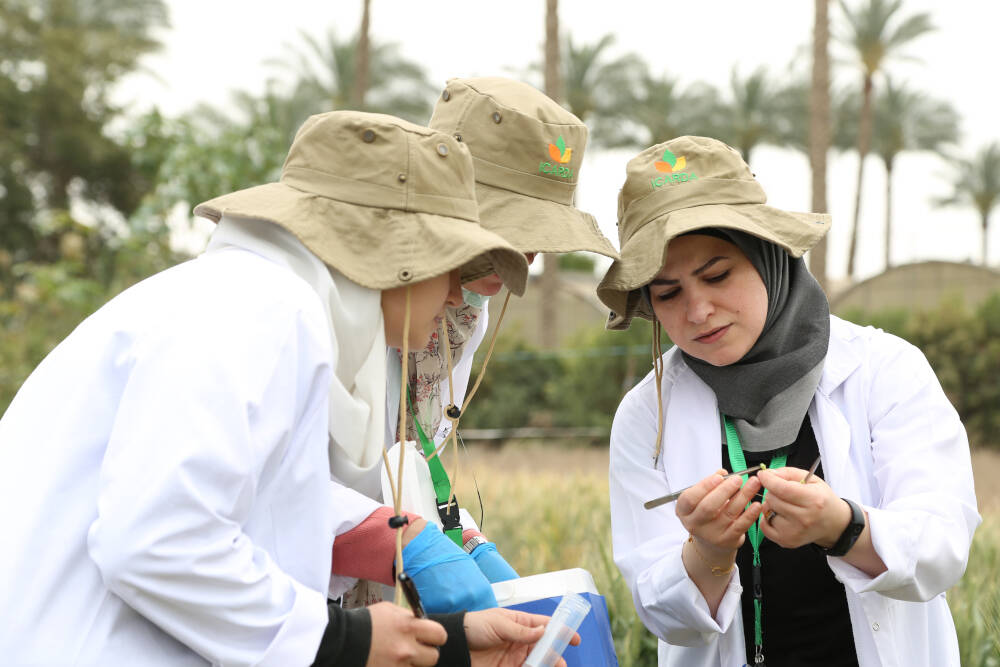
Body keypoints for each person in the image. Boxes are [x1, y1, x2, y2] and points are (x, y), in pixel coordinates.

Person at [0, 110, 572, 666]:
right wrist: (344, 642)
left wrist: (447, 643)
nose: (457, 294)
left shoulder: (270, 306)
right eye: (452, 266)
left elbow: (265, 521)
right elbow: (157, 544)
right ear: (397, 255)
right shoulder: (258, 309)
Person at [597, 136, 981, 666]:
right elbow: (665, 616)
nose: (699, 310)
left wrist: (842, 526)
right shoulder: (647, 417)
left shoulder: (885, 370)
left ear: (769, 257)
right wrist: (707, 552)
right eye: (667, 293)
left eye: (717, 275)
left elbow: (942, 548)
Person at [387, 77, 620, 587]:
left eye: (540, 237)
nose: (529, 257)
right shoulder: (356, 305)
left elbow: (415, 465)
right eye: (513, 232)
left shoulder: (470, 306)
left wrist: (468, 544)